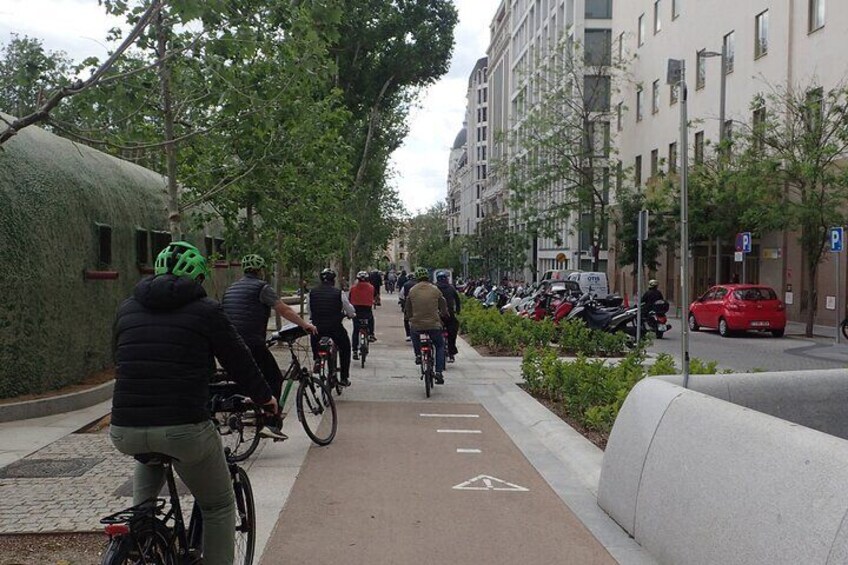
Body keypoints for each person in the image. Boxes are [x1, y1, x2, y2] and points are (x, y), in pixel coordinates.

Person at [110, 241, 280, 565]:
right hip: (184, 429)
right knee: (217, 506)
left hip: (124, 429)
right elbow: (238, 359)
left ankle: (140, 537)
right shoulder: (206, 310)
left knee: (146, 467)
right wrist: (265, 397)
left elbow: (120, 359)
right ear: (199, 279)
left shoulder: (126, 308)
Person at [222, 253, 317, 440]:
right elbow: (284, 309)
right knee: (275, 378)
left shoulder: (231, 288)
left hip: (230, 343)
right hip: (251, 341)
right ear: (261, 270)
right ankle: (271, 423)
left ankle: (249, 407)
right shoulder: (262, 288)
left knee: (248, 376)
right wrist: (305, 325)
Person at [309, 268, 355, 386]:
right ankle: (344, 377)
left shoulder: (312, 293)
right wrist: (351, 315)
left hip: (317, 328)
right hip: (335, 328)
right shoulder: (339, 293)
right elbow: (349, 309)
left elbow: (308, 310)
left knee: (314, 339)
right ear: (333, 280)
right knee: (345, 347)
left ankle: (317, 359)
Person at [405, 267, 449, 384]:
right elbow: (443, 304)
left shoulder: (412, 290)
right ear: (428, 278)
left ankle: (418, 355)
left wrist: (409, 317)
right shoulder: (435, 290)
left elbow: (408, 308)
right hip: (434, 324)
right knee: (439, 346)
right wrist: (444, 314)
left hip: (417, 325)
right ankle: (439, 373)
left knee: (414, 334)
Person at [435, 271, 461, 363]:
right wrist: (458, 310)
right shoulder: (451, 288)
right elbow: (457, 300)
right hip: (449, 315)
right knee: (453, 331)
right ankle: (451, 353)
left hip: (437, 315)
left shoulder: (434, 288)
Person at [349, 271, 376, 360]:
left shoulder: (353, 288)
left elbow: (349, 299)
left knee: (356, 330)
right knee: (371, 320)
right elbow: (374, 297)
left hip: (356, 311)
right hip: (367, 310)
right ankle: (371, 334)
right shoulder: (371, 287)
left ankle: (355, 350)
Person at [399, 272, 419, 342]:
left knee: (406, 319)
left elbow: (401, 295)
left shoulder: (405, 285)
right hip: (418, 305)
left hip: (408, 305)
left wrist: (402, 302)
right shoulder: (418, 285)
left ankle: (408, 335)